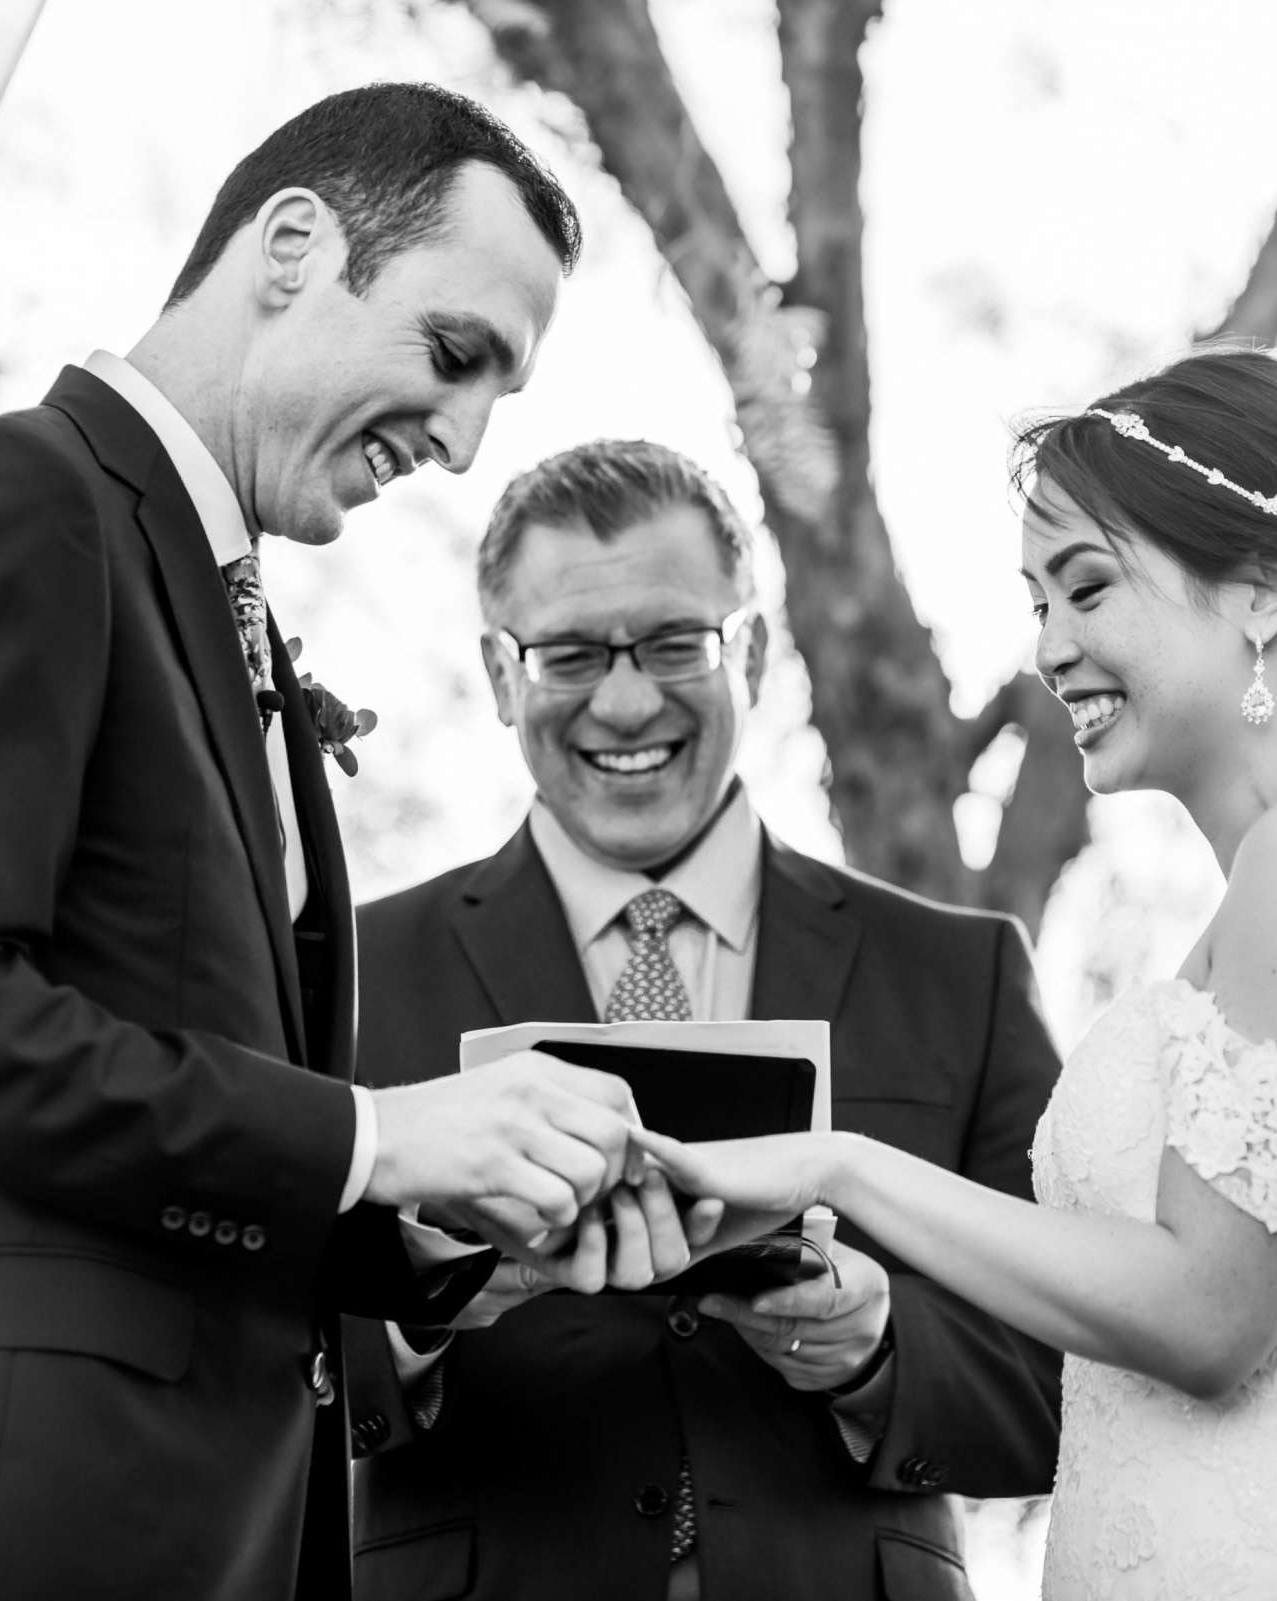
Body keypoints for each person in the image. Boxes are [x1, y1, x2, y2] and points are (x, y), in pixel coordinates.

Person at [0, 84, 654, 1601]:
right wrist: (382, 1134)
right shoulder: (19, 501)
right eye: (454, 355)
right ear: (292, 246)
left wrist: (451, 1229)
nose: (465, 441)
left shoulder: (212, 601)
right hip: (4, 1516)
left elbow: (193, 1086)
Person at [638, 346, 1277, 1598]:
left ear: (1261, 590)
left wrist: (838, 1162)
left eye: (1085, 587)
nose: (1050, 646)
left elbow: (1208, 1317)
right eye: (1039, 603)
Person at [341, 440, 1064, 1600]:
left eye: (675, 642)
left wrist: (876, 1348)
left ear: (758, 652)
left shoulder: (959, 973)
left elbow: (1067, 1379)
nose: (626, 700)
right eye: (569, 653)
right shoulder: (351, 973)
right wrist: (424, 1293)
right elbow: (242, 1361)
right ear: (495, 673)